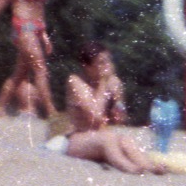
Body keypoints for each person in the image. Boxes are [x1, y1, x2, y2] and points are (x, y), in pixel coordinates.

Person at [59, 42, 165, 174]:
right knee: (107, 138)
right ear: (87, 66)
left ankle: (148, 166)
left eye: (108, 61)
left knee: (125, 140)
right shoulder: (76, 82)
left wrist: (118, 101)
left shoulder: (111, 81)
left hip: (99, 136)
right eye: (101, 62)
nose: (107, 66)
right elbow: (95, 116)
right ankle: (128, 167)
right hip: (75, 139)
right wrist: (104, 83)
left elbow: (120, 119)